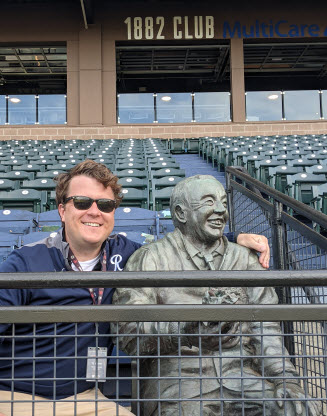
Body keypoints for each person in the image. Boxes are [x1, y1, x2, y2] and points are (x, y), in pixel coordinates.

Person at [0, 161, 270, 416]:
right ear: (62, 210)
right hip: (17, 396)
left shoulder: (128, 254)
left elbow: (175, 251)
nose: (94, 211)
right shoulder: (26, 262)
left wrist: (233, 239)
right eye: (82, 202)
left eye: (105, 205)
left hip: (86, 398)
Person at [113, 175, 321, 416]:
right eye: (209, 202)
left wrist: (286, 379)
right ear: (181, 213)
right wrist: (185, 329)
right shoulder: (151, 258)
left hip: (243, 377)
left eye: (223, 202)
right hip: (179, 384)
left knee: (299, 409)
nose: (221, 210)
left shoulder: (244, 259)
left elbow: (266, 328)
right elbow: (126, 332)